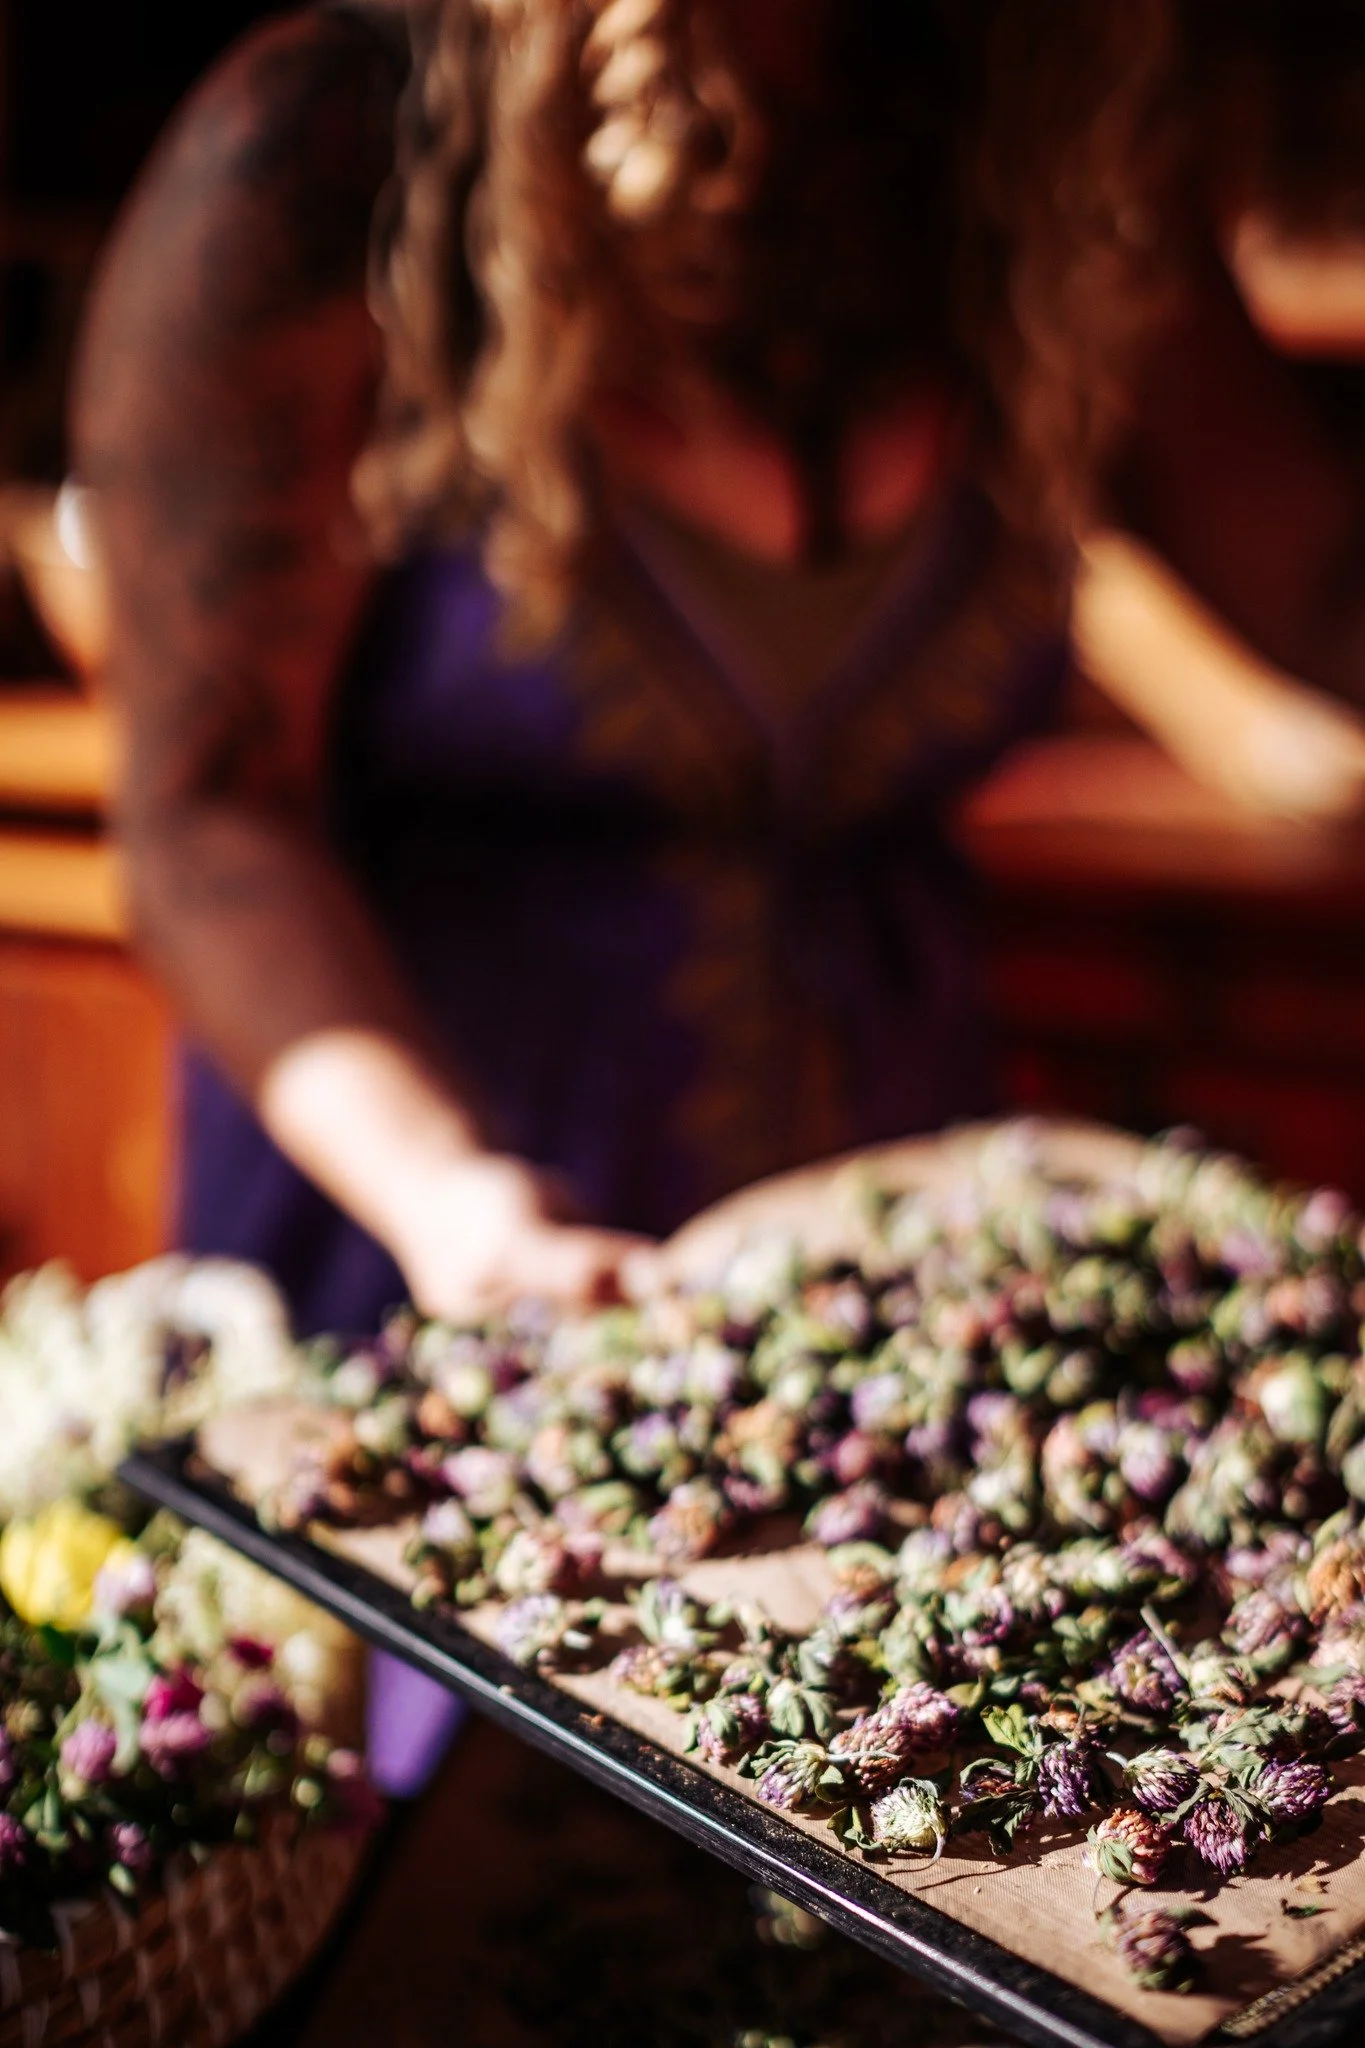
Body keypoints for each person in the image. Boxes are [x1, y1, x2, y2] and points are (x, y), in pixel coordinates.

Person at [72, 0, 1365, 1777]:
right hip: (450, 1282)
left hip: (898, 1328)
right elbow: (208, 810)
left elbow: (1322, 599)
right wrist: (458, 1203)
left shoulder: (1057, 138)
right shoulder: (330, 149)